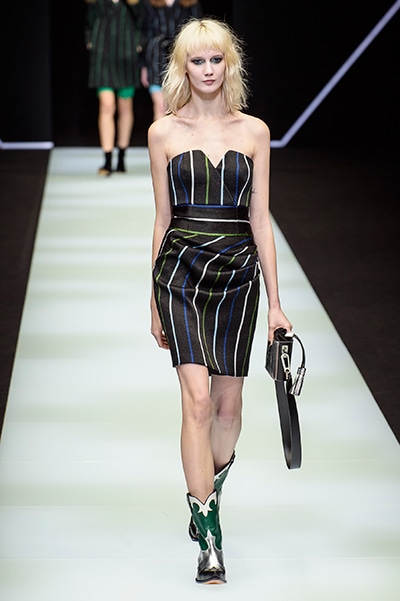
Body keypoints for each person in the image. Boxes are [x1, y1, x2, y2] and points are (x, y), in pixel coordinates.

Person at [148, 17, 292, 585]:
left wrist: (276, 304)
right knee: (199, 403)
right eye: (197, 61)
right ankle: (210, 538)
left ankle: (203, 492)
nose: (207, 70)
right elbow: (162, 218)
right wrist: (153, 299)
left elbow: (261, 219)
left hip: (238, 275)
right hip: (180, 273)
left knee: (229, 411)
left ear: (229, 65)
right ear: (182, 68)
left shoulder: (254, 131)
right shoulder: (163, 133)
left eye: (216, 59)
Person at [85, 0, 144, 176]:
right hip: (102, 53)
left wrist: (139, 42)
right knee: (107, 105)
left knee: (125, 105)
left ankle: (121, 157)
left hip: (126, 54)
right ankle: (108, 159)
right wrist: (89, 40)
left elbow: (143, 20)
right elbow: (89, 19)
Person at [140, 0, 203, 121]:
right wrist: (143, 66)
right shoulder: (149, 3)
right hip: (155, 59)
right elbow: (145, 34)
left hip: (183, 57)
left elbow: (198, 32)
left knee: (182, 107)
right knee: (161, 107)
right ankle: (160, 134)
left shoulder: (191, 3)